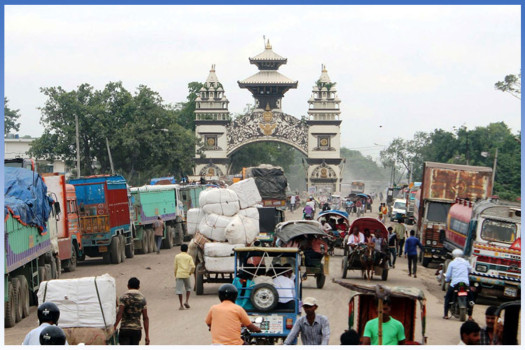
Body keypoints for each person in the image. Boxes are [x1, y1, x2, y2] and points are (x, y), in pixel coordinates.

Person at [114, 277, 150, 345]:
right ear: (139, 287)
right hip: (136, 331)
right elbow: (145, 318)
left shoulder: (123, 297)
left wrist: (114, 326)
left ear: (128, 286)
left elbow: (120, 313)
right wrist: (147, 335)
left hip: (125, 329)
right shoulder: (142, 298)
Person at [443, 249, 474, 320]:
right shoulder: (466, 262)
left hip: (455, 284)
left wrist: (447, 280)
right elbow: (470, 270)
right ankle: (470, 316)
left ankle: (446, 314)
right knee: (471, 298)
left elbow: (448, 275)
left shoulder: (452, 263)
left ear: (453, 256)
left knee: (447, 297)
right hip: (465, 283)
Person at [174, 243, 195, 310]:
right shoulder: (189, 257)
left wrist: (175, 275)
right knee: (188, 288)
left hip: (179, 274)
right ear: (187, 250)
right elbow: (193, 266)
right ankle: (186, 301)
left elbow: (175, 267)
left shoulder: (177, 256)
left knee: (179, 290)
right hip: (186, 274)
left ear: (180, 249)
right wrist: (190, 272)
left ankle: (181, 305)